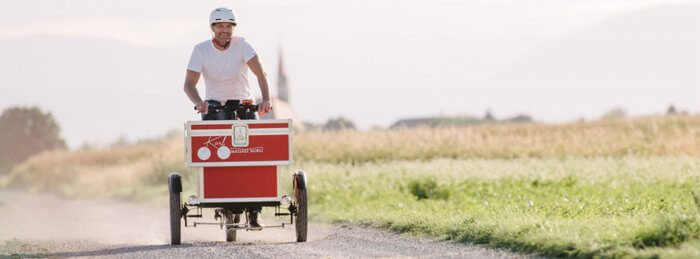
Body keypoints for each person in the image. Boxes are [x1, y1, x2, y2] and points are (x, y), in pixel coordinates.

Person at [183, 7, 272, 229]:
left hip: (245, 105)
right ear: (212, 28)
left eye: (229, 26)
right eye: (220, 26)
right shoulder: (201, 50)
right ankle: (220, 197)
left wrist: (266, 99)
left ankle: (254, 212)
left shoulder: (243, 45)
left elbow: (260, 73)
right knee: (213, 157)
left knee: (254, 156)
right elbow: (188, 85)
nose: (225, 30)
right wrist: (199, 102)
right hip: (214, 108)